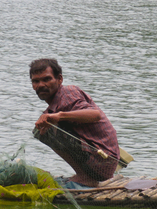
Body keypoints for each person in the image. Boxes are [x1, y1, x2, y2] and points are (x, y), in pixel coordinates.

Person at [30, 58, 119, 188]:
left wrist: (59, 116)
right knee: (41, 128)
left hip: (104, 162)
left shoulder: (67, 93)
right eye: (36, 81)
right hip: (101, 163)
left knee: (47, 129)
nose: (41, 85)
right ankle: (82, 174)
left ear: (59, 79)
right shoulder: (53, 106)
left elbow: (95, 114)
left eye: (46, 79)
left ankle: (86, 178)